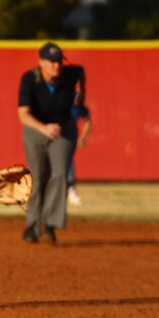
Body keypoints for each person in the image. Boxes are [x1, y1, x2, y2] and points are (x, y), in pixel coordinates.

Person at [17, 42, 84, 244]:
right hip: (35, 130)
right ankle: (32, 225)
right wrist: (43, 128)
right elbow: (23, 114)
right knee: (38, 178)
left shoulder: (71, 74)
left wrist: (82, 95)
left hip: (63, 130)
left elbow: (81, 73)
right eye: (52, 62)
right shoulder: (30, 79)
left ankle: (50, 225)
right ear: (41, 63)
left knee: (60, 174)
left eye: (59, 61)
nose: (56, 66)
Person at [66, 101, 93, 206]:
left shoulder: (77, 105)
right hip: (53, 134)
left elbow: (88, 120)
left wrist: (83, 138)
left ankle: (71, 191)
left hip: (69, 136)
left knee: (68, 163)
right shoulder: (58, 98)